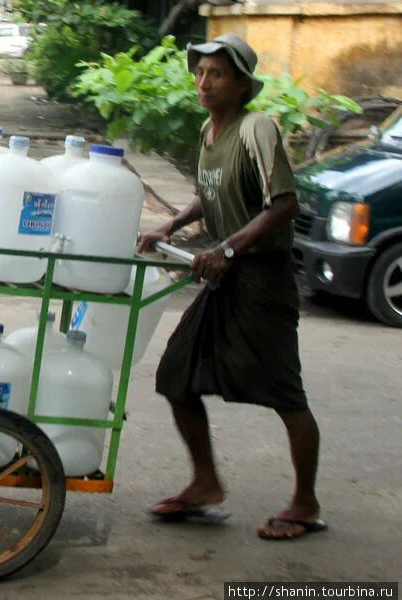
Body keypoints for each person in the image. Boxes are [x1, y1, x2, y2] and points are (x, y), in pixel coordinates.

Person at [137, 34, 326, 541]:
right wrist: (168, 227)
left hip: (262, 280)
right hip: (225, 275)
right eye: (200, 72)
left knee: (286, 393)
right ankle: (205, 482)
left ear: (242, 84)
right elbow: (207, 195)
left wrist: (227, 249)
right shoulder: (209, 130)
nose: (203, 81)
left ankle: (305, 503)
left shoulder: (256, 128)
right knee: (176, 374)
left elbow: (283, 203)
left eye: (216, 73)